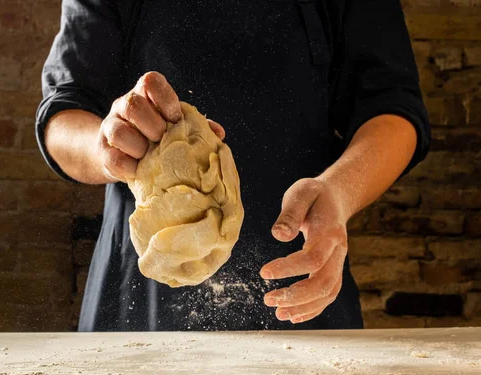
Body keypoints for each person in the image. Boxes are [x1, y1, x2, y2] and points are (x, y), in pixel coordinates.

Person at [36, 0, 430, 331]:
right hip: (142, 295)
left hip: (303, 283)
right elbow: (62, 116)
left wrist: (341, 192)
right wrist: (106, 146)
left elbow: (392, 108)